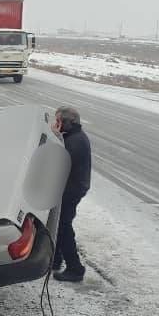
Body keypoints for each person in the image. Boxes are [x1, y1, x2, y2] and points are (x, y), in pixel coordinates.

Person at [51, 105, 91, 282]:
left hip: (71, 190)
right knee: (59, 225)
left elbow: (58, 161)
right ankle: (56, 259)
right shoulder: (73, 136)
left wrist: (55, 136)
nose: (56, 123)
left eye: (58, 121)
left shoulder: (73, 142)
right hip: (72, 187)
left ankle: (75, 268)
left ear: (67, 122)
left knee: (63, 227)